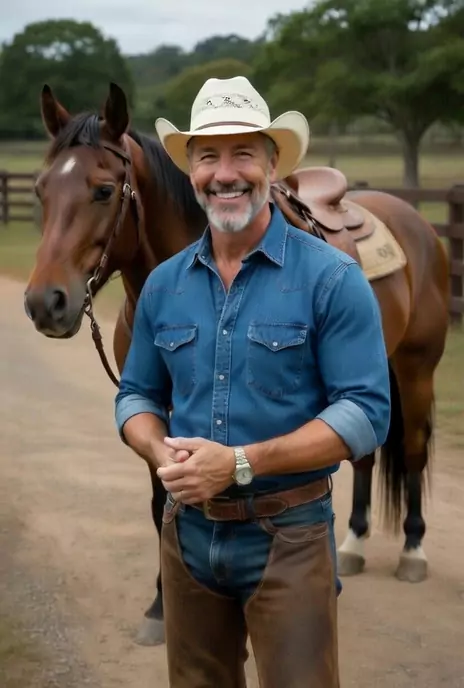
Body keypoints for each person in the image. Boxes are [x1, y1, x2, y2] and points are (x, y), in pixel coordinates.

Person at [114, 75, 391, 687]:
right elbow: (136, 395)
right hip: (186, 534)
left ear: (271, 164)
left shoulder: (332, 278)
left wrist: (239, 463)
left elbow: (366, 412)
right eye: (208, 157)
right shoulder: (162, 285)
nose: (225, 173)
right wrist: (160, 452)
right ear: (191, 171)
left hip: (289, 534)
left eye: (243, 153)